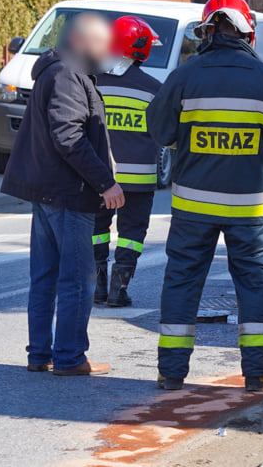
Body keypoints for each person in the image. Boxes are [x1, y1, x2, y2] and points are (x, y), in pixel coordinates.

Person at [146, 0, 263, 391]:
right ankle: (258, 374)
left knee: (182, 282)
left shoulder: (185, 75)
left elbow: (160, 131)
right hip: (248, 207)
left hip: (191, 205)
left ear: (207, 33)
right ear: (247, 35)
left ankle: (171, 373)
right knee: (254, 286)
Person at [0, 13, 121, 376]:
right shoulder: (68, 74)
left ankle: (41, 354)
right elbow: (69, 137)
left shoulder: (58, 71)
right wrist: (106, 182)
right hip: (69, 194)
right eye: (102, 44)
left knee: (46, 277)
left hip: (51, 192)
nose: (107, 52)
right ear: (83, 41)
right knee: (76, 279)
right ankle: (69, 357)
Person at [93, 17, 163, 307]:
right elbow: (164, 133)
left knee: (96, 230)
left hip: (99, 177)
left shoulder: (92, 83)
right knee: (132, 234)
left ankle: (96, 288)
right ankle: (117, 290)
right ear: (141, 48)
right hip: (139, 181)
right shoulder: (153, 88)